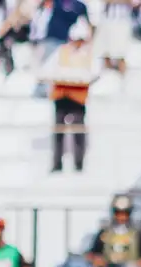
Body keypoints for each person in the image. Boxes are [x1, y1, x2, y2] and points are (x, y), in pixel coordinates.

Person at [40, 18, 99, 173]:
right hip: (61, 95)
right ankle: (56, 163)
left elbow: (94, 73)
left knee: (78, 130)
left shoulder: (89, 55)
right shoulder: (62, 52)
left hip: (78, 97)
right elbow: (47, 70)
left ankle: (79, 163)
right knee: (59, 130)